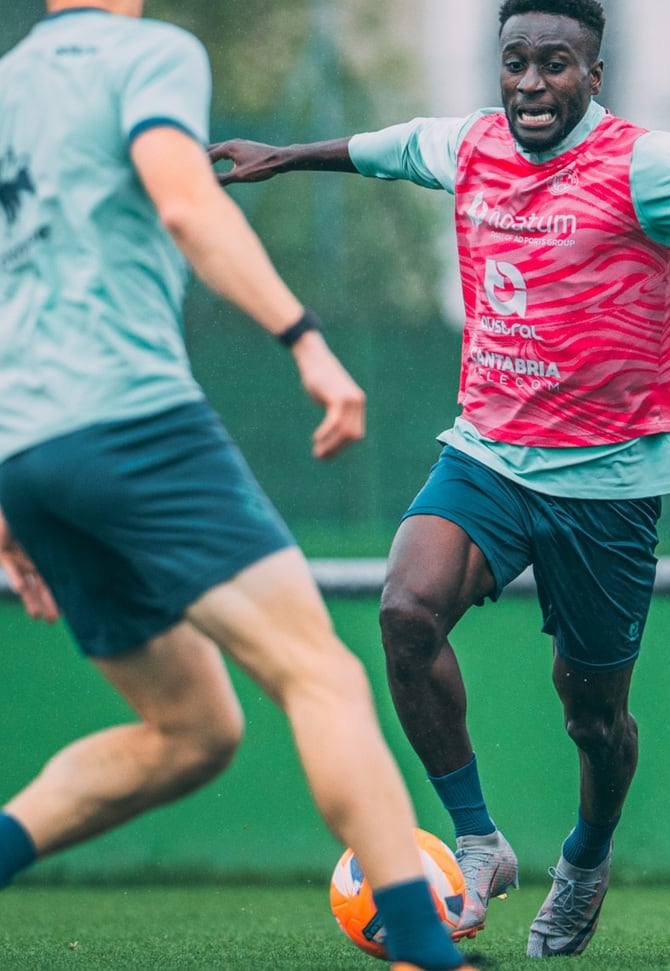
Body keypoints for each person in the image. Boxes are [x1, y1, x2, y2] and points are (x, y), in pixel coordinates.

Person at [207, 0, 670, 957]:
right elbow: (387, 148)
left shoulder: (644, 164)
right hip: (491, 452)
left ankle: (586, 854)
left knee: (594, 717)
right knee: (405, 610)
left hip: (610, 480)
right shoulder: (472, 146)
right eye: (516, 62)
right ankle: (479, 840)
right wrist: (285, 157)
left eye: (555, 63)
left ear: (595, 74)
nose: (531, 84)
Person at [0, 5, 468, 971]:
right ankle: (430, 950)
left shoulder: (10, 85)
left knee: (193, 729)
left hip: (27, 450)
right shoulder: (151, 53)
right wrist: (306, 339)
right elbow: (186, 202)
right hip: (133, 421)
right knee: (320, 673)